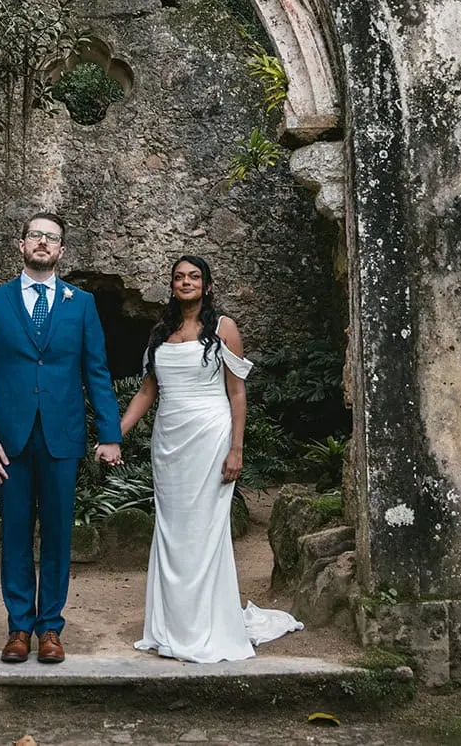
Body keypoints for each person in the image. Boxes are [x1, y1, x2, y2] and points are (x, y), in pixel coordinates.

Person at [118, 255, 302, 662]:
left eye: (194, 277)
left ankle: (205, 626)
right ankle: (170, 625)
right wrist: (115, 435)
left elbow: (237, 394)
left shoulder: (224, 329)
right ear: (171, 286)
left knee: (203, 532)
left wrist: (236, 448)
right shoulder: (160, 332)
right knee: (172, 530)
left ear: (207, 285)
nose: (186, 282)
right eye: (179, 277)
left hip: (210, 437)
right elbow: (148, 392)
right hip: (169, 443)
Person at [0, 212, 123, 664]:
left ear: (61, 250)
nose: (43, 243)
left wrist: (110, 434)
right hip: (10, 441)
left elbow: (96, 371)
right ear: (21, 245)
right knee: (16, 533)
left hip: (63, 436)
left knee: (57, 535)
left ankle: (50, 628)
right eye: (35, 235)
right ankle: (19, 628)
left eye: (51, 238)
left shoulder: (82, 304)